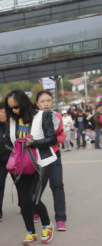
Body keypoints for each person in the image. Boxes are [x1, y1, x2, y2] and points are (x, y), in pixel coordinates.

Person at [5, 90, 57, 245]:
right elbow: (9, 141)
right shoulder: (13, 121)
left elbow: (52, 139)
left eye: (16, 106)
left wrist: (32, 143)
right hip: (21, 165)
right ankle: (30, 232)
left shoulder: (42, 115)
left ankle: (47, 225)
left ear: (24, 102)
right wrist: (14, 149)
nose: (14, 110)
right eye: (11, 108)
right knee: (24, 201)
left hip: (42, 162)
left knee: (34, 199)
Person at [34, 91, 68, 231]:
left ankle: (60, 219)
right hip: (38, 156)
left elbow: (61, 133)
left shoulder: (57, 116)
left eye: (49, 100)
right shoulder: (33, 118)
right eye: (43, 101)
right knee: (38, 186)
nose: (46, 103)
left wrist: (55, 141)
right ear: (37, 103)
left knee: (57, 184)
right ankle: (35, 210)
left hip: (54, 155)